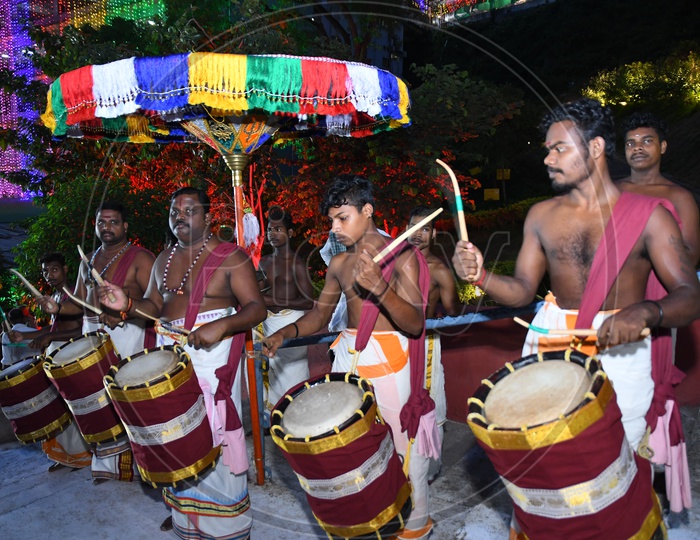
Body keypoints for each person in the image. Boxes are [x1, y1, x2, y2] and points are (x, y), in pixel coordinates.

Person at [452, 98, 700, 536]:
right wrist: (482, 275)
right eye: (547, 149)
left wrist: (648, 309)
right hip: (551, 343)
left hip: (621, 350)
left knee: (616, 467)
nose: (548, 159)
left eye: (558, 149)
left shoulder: (650, 217)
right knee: (543, 467)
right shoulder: (542, 216)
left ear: (597, 148)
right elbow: (521, 292)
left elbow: (689, 296)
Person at [263, 175, 436, 540]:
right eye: (331, 220)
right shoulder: (340, 265)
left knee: (401, 450)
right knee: (353, 451)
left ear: (368, 210)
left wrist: (380, 289)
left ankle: (412, 528)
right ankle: (367, 526)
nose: (335, 227)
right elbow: (318, 317)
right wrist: (285, 333)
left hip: (391, 364)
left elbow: (415, 323)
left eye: (343, 218)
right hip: (349, 361)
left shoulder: (403, 255)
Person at [97, 187, 266, 539]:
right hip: (171, 350)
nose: (180, 217)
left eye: (189, 211)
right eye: (174, 211)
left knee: (210, 431)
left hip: (211, 354)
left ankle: (227, 526)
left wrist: (220, 325)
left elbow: (255, 308)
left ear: (207, 216)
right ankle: (186, 513)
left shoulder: (231, 256)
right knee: (172, 430)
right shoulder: (164, 258)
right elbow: (152, 308)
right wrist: (124, 302)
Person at [39, 203, 155, 485]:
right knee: (97, 401)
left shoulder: (142, 257)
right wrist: (56, 309)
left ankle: (143, 467)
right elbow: (78, 303)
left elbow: (155, 303)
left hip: (127, 332)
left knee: (127, 397)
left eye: (113, 222)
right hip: (92, 332)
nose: (107, 227)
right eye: (102, 222)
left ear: (125, 226)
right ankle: (110, 465)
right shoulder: (87, 260)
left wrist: (124, 312)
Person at [7, 254, 92, 471]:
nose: (49, 275)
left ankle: (81, 455)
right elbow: (53, 330)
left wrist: (51, 338)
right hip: (57, 358)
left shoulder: (74, 294)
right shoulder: (55, 296)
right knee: (58, 409)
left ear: (65, 269)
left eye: (54, 270)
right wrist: (24, 337)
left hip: (73, 358)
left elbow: (85, 329)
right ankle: (65, 456)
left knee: (72, 408)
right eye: (45, 271)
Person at [407, 205, 464, 482]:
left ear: (434, 234)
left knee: (427, 401)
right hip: (393, 342)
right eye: (413, 227)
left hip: (425, 342)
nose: (417, 234)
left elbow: (453, 312)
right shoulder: (392, 261)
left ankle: (427, 468)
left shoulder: (439, 270)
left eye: (425, 228)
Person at [617, 111, 700, 265]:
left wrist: (643, 253)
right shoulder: (613, 190)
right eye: (630, 143)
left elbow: (692, 254)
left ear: (662, 147)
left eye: (647, 141)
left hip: (662, 285)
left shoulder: (679, 196)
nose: (637, 148)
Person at [256, 206, 314, 410]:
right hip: (270, 323)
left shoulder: (297, 264)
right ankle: (276, 417)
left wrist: (275, 301)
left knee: (293, 375)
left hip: (291, 323)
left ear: (289, 233)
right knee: (273, 373)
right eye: (270, 230)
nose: (273, 234)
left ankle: (299, 415)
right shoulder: (264, 261)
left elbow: (308, 301)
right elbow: (261, 292)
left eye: (278, 229)